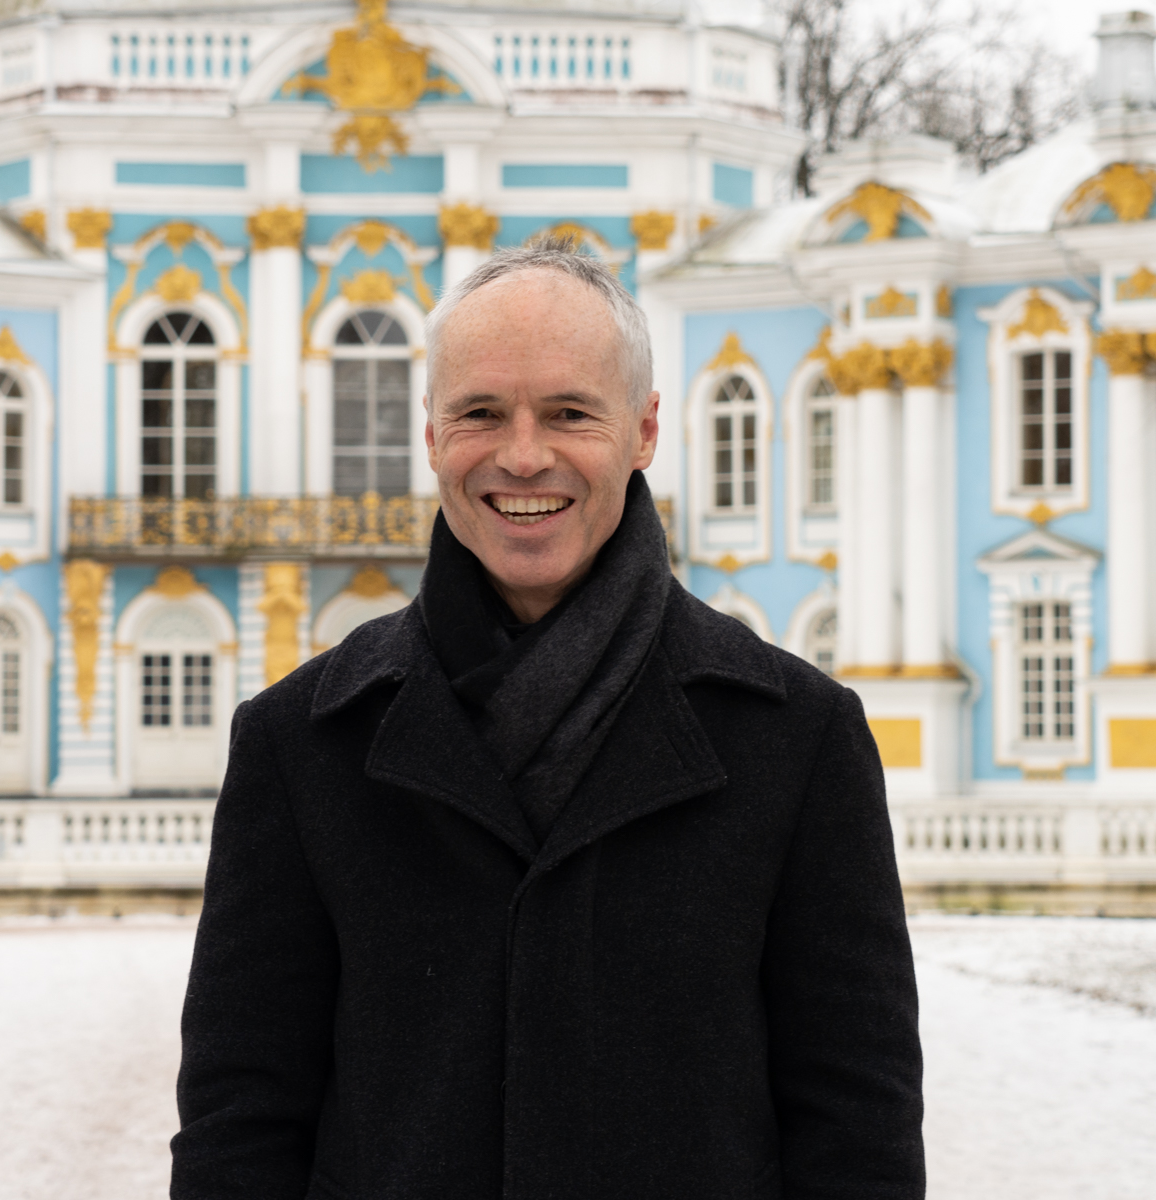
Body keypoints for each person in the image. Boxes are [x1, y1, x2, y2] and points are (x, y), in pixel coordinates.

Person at [170, 239, 924, 1199]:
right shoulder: (299, 741)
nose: (523, 456)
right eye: (481, 413)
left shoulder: (798, 737)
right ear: (432, 435)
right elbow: (240, 1124)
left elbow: (858, 1127)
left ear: (645, 430)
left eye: (570, 412)